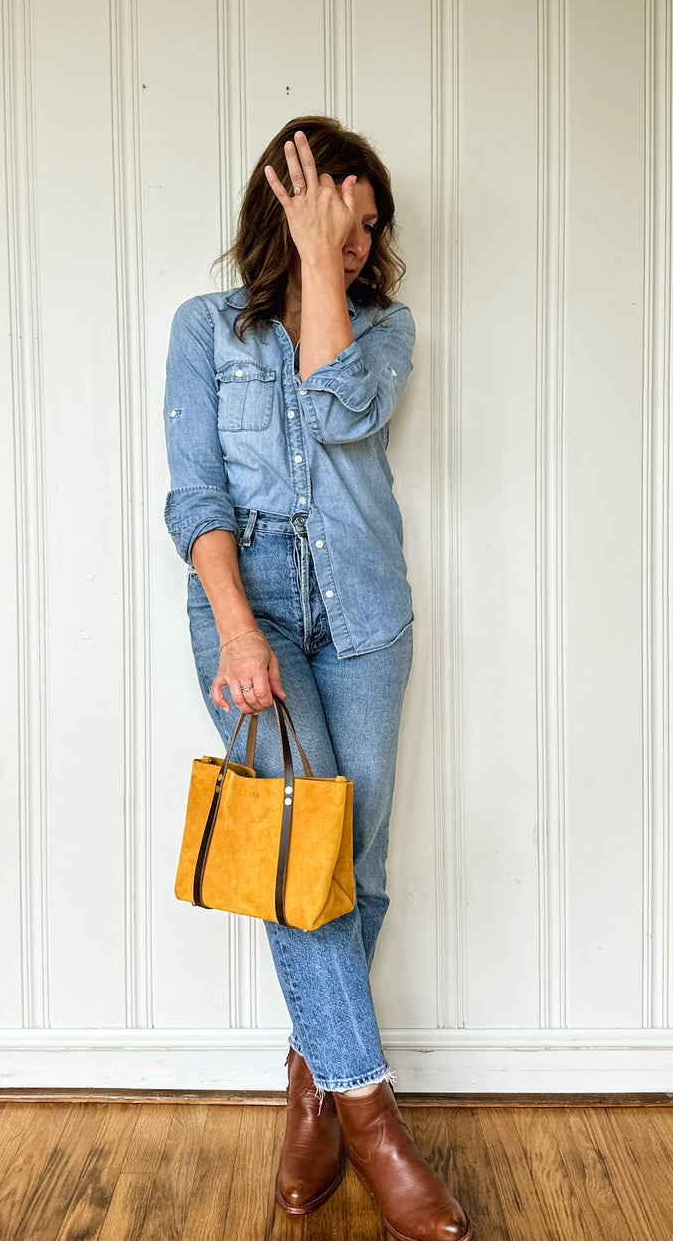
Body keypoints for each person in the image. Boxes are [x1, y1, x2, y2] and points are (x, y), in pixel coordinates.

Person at [162, 117, 471, 1241]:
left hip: (368, 615)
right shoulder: (200, 329)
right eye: (341, 218)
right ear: (286, 213)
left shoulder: (385, 330)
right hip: (253, 617)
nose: (357, 241)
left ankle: (311, 1085)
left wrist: (317, 268)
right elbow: (194, 498)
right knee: (298, 847)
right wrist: (240, 635)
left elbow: (340, 406)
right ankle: (377, 1127)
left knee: (356, 852)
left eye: (364, 226)